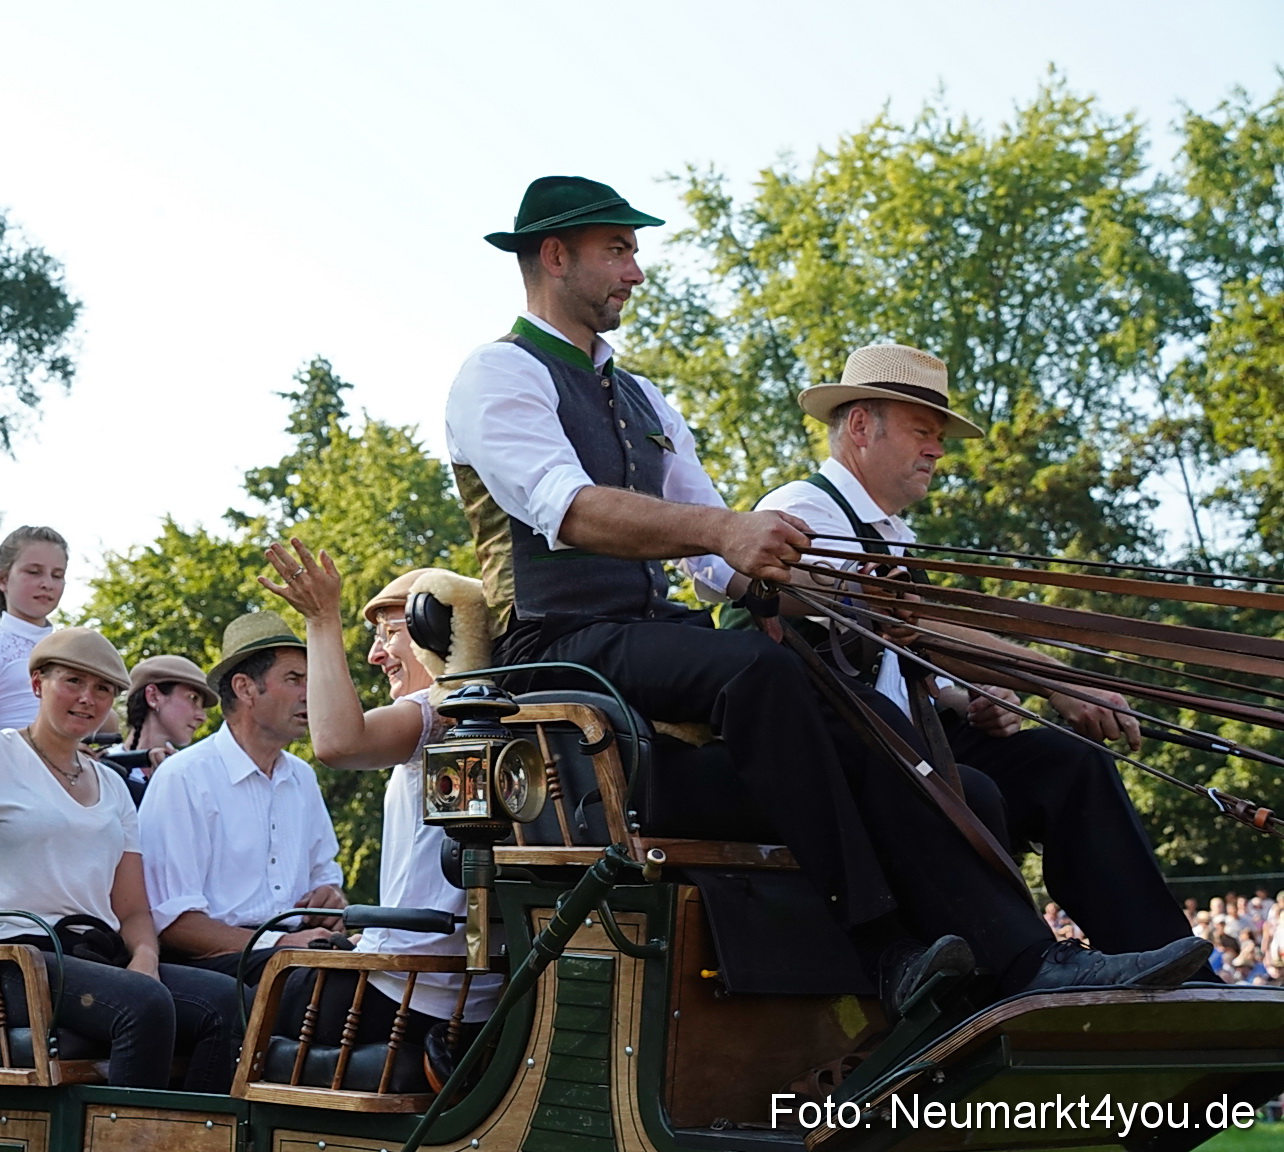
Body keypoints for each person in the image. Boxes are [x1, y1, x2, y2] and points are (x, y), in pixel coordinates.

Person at [445, 174, 1209, 1013]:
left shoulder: (643, 397)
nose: (636, 270)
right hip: (556, 644)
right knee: (757, 671)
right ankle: (882, 948)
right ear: (555, 256)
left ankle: (1024, 966)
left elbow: (720, 555)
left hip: (642, 635)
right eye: (618, 249)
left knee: (848, 705)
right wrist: (730, 535)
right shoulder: (498, 375)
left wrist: (801, 582)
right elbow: (571, 509)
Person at [750, 343, 1215, 978]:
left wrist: (968, 699)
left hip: (911, 742)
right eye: (923, 431)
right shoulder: (802, 512)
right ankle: (1028, 968)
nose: (937, 451)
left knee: (1069, 764)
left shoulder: (895, 536)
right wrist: (1056, 679)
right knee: (978, 789)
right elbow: (914, 621)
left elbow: (910, 656)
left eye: (939, 436)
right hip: (848, 762)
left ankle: (1180, 973)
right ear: (860, 425)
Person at [0, 625, 241, 1091]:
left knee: (229, 1003)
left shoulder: (111, 785)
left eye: (102, 688)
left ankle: (185, 1137)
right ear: (37, 684)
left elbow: (131, 908)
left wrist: (145, 955)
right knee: (142, 1005)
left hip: (86, 958)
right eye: (73, 681)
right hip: (3, 964)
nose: (88, 698)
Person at [261, 544, 504, 1048]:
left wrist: (322, 619)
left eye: (390, 634)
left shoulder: (440, 711)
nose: (375, 655)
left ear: (438, 634)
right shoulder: (492, 714)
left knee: (224, 1003)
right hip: (466, 996)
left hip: (408, 993)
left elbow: (336, 743)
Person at [141, 612, 346, 985]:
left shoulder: (302, 776)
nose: (309, 693)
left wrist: (331, 901)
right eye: (294, 679)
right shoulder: (184, 776)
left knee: (388, 971)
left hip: (294, 952)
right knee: (333, 985)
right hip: (212, 965)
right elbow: (174, 926)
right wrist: (282, 943)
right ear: (245, 688)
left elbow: (327, 881)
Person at [0, 526, 69, 728]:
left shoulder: (74, 650)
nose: (47, 583)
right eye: (34, 572)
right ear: (2, 579)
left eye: (57, 575)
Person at [117, 655, 218, 795]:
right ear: (153, 696)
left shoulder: (194, 774)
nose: (202, 717)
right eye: (193, 698)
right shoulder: (99, 770)